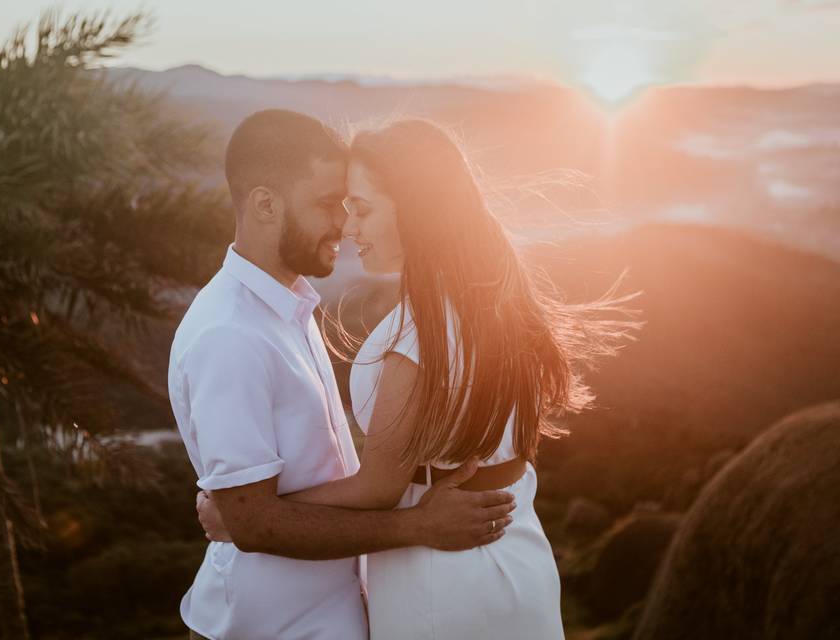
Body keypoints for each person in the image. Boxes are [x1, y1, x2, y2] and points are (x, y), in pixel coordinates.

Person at [198, 118, 641, 638]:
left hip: (442, 574)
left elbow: (378, 489)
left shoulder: (419, 336)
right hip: (515, 549)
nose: (348, 227)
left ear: (414, 211)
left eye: (361, 209)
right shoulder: (494, 303)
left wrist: (246, 519)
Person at [169, 110, 518, 640]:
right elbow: (253, 522)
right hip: (266, 625)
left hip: (325, 612)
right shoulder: (230, 334)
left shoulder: (287, 307)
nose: (345, 225)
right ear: (266, 204)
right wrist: (418, 526)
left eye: (353, 205)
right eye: (328, 205)